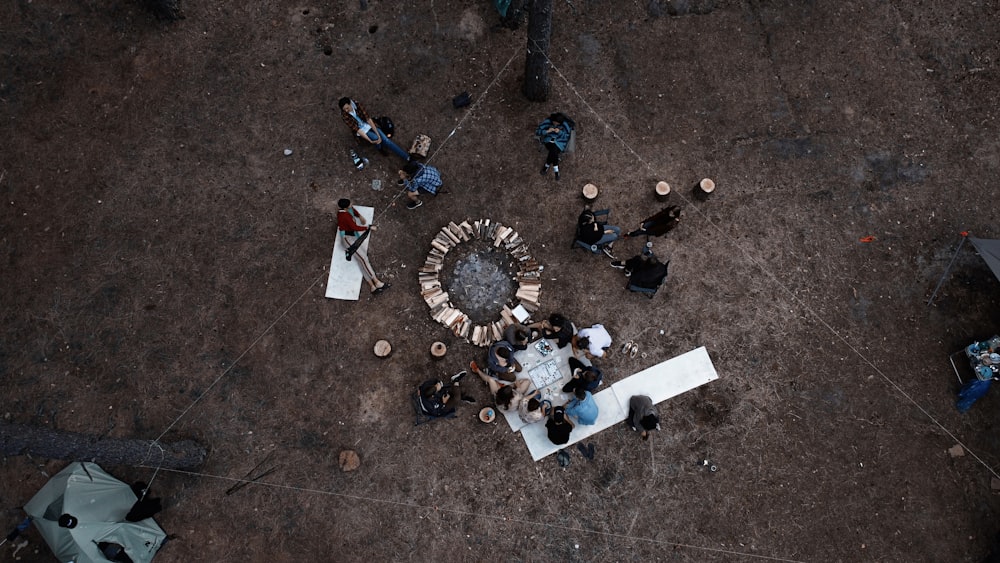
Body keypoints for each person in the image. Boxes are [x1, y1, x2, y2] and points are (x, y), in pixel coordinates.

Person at [337, 198, 390, 294]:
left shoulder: (344, 211)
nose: (351, 205)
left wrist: (360, 216)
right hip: (348, 240)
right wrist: (368, 227)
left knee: (361, 261)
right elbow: (354, 227)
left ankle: (372, 286)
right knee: (364, 259)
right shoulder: (344, 216)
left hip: (351, 237)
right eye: (349, 204)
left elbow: (352, 209)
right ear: (345, 207)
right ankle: (376, 281)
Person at [338, 96, 411, 161]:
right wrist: (370, 140)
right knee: (375, 138)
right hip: (361, 130)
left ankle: (406, 157)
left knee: (386, 140)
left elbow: (368, 119)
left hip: (367, 124)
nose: (346, 111)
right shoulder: (344, 115)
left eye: (347, 108)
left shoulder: (357, 105)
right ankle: (379, 148)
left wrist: (378, 133)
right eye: (344, 109)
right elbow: (358, 130)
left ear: (350, 103)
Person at [536, 112, 574, 180]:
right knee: (553, 150)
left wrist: (560, 132)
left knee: (553, 150)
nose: (555, 124)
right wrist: (547, 131)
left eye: (557, 124)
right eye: (554, 122)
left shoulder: (565, 125)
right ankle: (556, 171)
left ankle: (546, 167)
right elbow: (538, 131)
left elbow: (567, 137)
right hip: (549, 141)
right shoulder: (547, 122)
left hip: (559, 143)